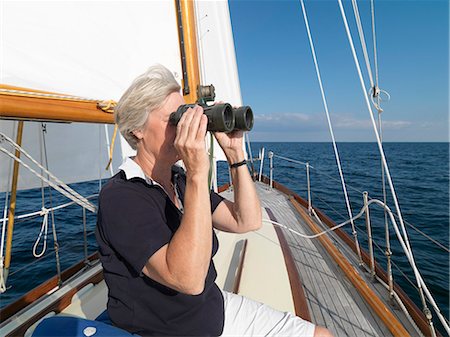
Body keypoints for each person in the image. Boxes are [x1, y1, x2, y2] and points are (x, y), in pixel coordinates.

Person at [95, 64, 333, 337]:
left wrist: (235, 154)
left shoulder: (179, 181)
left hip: (213, 310)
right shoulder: (122, 196)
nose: (185, 127)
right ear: (138, 129)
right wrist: (198, 173)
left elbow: (246, 220)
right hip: (168, 330)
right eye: (174, 120)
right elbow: (188, 279)